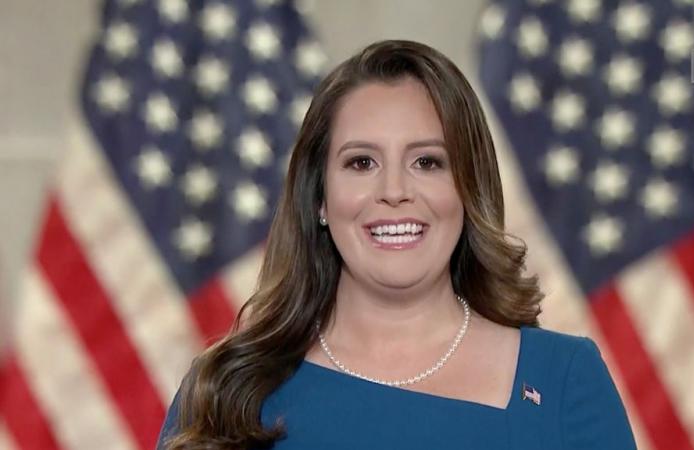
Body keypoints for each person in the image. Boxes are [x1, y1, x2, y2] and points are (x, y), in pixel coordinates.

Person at [157, 39, 637, 450]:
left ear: (468, 190)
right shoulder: (224, 392)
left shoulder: (564, 377)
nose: (394, 191)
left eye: (427, 162)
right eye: (361, 163)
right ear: (319, 197)